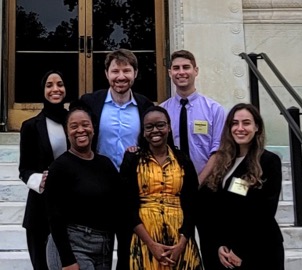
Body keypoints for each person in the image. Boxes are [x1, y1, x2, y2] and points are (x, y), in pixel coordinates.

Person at [199, 103, 284, 270]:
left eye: (246, 123)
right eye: (234, 123)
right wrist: (219, 244)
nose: (240, 128)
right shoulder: (223, 162)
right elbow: (213, 207)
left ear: (257, 127)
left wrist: (240, 249)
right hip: (226, 251)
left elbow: (264, 211)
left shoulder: (268, 161)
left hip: (258, 250)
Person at [120, 105, 203, 270]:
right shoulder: (132, 160)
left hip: (179, 240)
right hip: (144, 239)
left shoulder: (183, 160)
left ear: (169, 127)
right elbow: (126, 205)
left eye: (160, 125)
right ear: (143, 132)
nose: (155, 130)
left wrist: (181, 244)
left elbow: (192, 204)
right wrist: (152, 245)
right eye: (149, 127)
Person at [45, 105, 121, 270]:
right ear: (67, 132)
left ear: (93, 128)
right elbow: (54, 216)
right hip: (73, 245)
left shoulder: (106, 164)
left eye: (85, 124)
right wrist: (67, 260)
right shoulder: (59, 167)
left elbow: (118, 206)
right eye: (74, 126)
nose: (81, 130)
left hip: (104, 246)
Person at [18, 70, 68, 270]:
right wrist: (41, 180)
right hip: (41, 209)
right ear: (42, 90)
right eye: (49, 85)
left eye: (60, 84)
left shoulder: (76, 122)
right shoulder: (30, 126)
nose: (55, 89)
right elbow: (25, 169)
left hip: (72, 206)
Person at [80, 48, 154, 171]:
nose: (121, 77)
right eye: (115, 71)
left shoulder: (146, 106)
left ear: (135, 73)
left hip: (134, 178)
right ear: (106, 74)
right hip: (97, 177)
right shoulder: (90, 103)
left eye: (126, 71)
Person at [160, 49, 226, 185]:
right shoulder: (162, 111)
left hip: (205, 185)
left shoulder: (214, 110)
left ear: (196, 71)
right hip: (169, 186)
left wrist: (199, 182)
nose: (181, 72)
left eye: (186, 67)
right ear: (170, 73)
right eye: (176, 68)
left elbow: (218, 149)